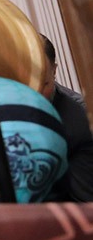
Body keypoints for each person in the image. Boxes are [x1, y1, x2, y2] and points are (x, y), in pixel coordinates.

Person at [39, 34, 93, 201]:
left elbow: (84, 199)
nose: (33, 92)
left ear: (54, 71)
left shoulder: (80, 115)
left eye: (43, 84)